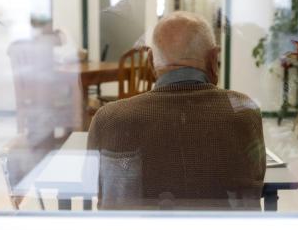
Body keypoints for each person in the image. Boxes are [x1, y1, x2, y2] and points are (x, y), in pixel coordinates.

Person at [88, 11, 266, 210]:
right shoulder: (244, 112)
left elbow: (92, 187)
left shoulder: (109, 119)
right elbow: (251, 187)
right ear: (214, 59)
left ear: (150, 60)